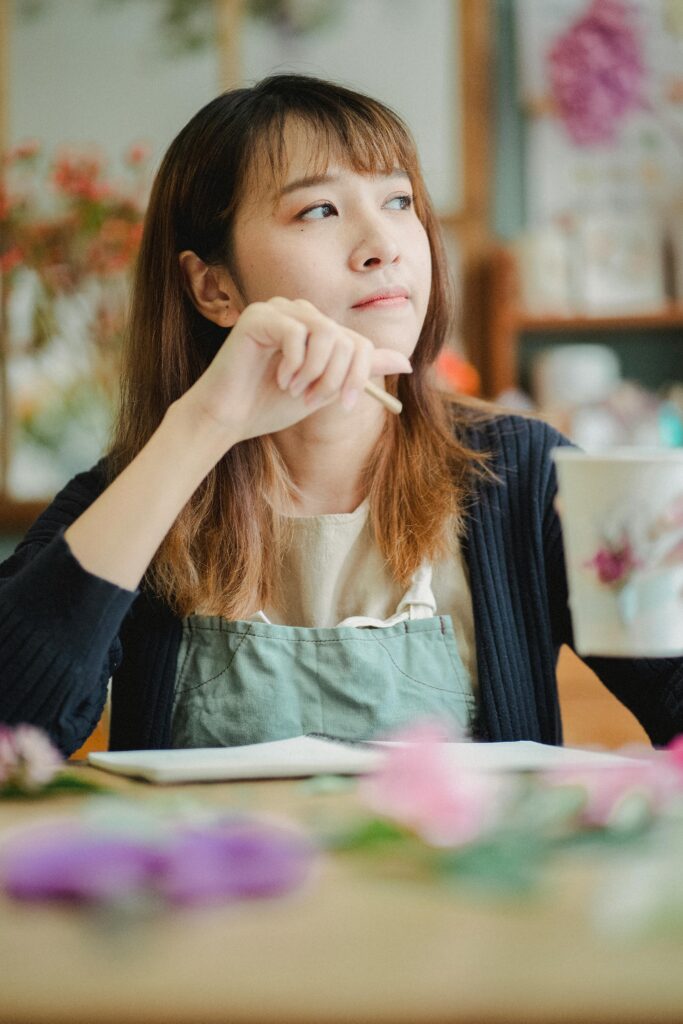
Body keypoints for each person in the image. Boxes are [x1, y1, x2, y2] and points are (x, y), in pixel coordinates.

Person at [0, 75, 681, 755]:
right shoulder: (135, 493)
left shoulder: (522, 473)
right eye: (318, 210)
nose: (383, 244)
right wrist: (200, 425)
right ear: (214, 287)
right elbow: (15, 724)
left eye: (398, 200)